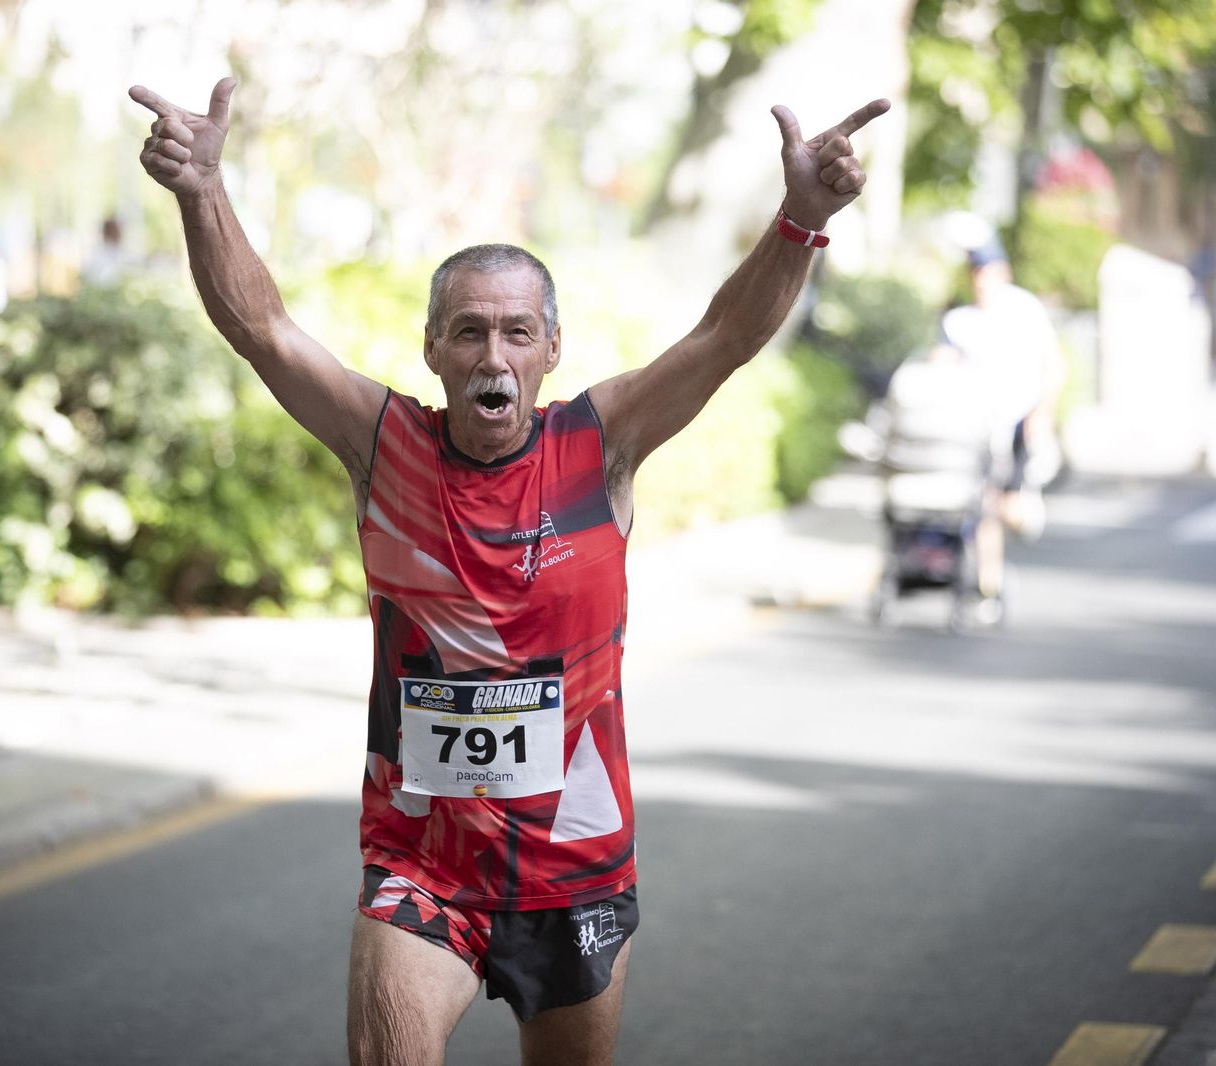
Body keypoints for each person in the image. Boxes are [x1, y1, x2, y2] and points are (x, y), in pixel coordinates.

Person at [130, 75, 886, 1065]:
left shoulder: (601, 444)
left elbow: (724, 337)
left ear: (549, 351)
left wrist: (800, 218)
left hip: (575, 863)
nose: (495, 352)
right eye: (470, 331)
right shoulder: (383, 444)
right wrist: (201, 190)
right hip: (420, 867)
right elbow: (261, 326)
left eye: (517, 331)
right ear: (435, 350)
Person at [939, 241, 1065, 617]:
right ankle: (989, 588)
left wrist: (1043, 413)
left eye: (988, 273)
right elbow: (942, 362)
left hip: (1018, 423)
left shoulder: (1025, 309)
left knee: (1009, 510)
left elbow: (1053, 365)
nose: (982, 282)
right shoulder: (959, 320)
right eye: (977, 274)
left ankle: (1025, 503)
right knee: (986, 507)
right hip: (976, 430)